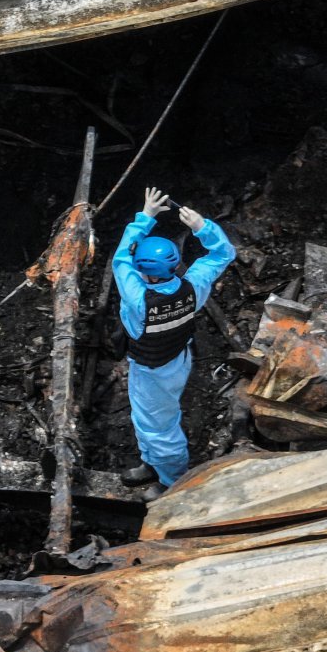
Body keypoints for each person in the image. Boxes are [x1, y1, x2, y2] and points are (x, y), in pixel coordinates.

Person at [112, 186, 236, 502]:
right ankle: (150, 463)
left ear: (147, 274)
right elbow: (223, 253)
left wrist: (146, 217)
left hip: (153, 370)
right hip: (177, 358)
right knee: (146, 418)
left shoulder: (138, 297)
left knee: (160, 428)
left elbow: (120, 258)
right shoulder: (194, 286)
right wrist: (201, 226)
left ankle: (171, 482)